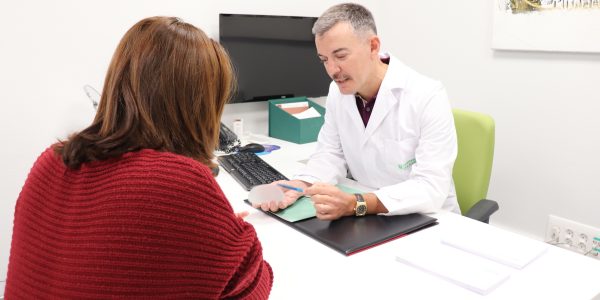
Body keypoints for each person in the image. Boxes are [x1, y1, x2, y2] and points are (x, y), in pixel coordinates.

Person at [5, 17, 272, 299]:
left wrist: (212, 225)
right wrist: (229, 227)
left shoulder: (50, 161)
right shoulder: (179, 183)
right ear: (202, 104)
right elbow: (255, 288)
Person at [256, 3, 459, 220]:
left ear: (373, 46)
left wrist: (357, 204)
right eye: (324, 60)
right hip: (368, 215)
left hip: (428, 219)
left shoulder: (427, 95)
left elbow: (430, 188)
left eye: (341, 56)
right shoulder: (338, 91)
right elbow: (331, 152)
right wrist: (300, 184)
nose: (332, 70)